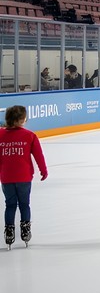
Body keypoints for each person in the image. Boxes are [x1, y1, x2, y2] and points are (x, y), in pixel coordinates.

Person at [0, 105, 48, 250]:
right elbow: (39, 156)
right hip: (24, 177)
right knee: (24, 204)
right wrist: (43, 170)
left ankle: (9, 231)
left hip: (7, 177)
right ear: (21, 120)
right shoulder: (29, 135)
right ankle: (25, 230)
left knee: (10, 205)